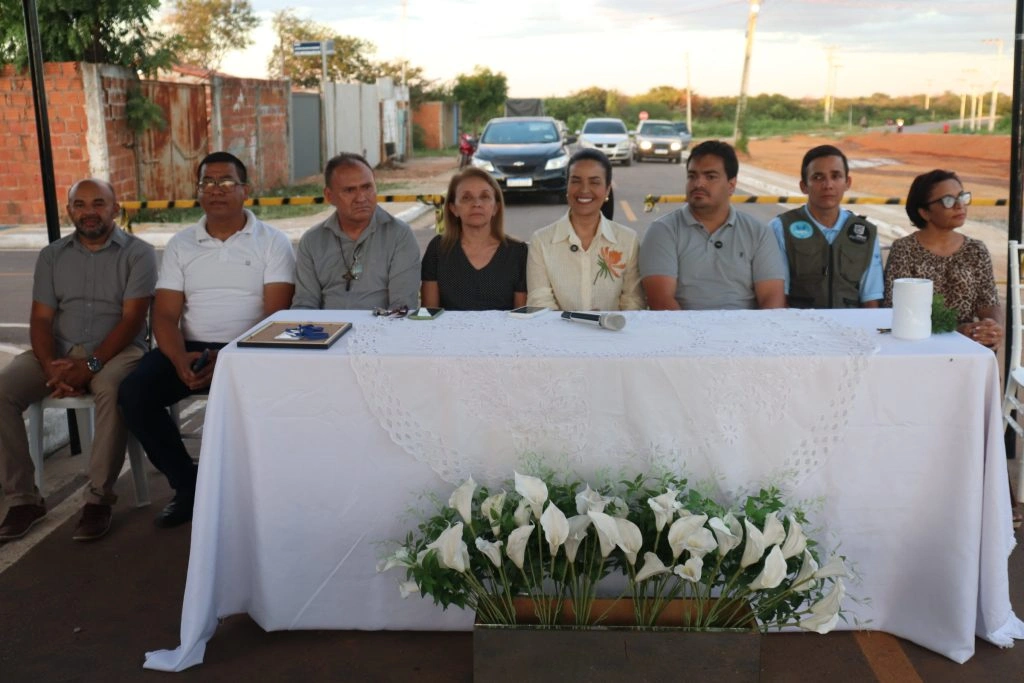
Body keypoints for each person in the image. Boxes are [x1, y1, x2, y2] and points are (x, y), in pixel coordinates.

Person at [118, 152, 296, 528]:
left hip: (250, 351)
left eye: (227, 181)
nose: (216, 190)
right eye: (207, 183)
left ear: (245, 190)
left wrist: (229, 356)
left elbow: (275, 316)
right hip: (190, 346)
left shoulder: (272, 241)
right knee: (134, 393)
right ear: (198, 192)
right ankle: (188, 486)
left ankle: (261, 492)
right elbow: (164, 315)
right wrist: (179, 358)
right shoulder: (182, 243)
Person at [0, 179, 157, 542]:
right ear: (69, 211)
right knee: (3, 390)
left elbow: (132, 319)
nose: (89, 212)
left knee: (114, 390)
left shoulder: (139, 253)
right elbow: (40, 319)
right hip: (58, 351)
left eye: (99, 203)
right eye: (80, 204)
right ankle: (23, 499)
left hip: (118, 351)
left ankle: (98, 499)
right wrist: (51, 366)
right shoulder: (52, 256)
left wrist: (91, 366)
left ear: (115, 209)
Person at [639, 140, 785, 310]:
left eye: (710, 177)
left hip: (746, 331)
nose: (698, 183)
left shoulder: (758, 233)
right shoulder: (663, 231)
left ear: (731, 185)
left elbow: (772, 299)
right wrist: (695, 335)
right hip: (681, 331)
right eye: (692, 176)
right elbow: (661, 300)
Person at [884, 169, 1002, 349]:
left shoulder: (976, 250)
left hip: (968, 344)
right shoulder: (904, 249)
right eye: (948, 201)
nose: (959, 205)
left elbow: (989, 303)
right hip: (918, 345)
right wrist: (955, 330)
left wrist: (992, 327)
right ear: (924, 212)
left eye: (961, 197)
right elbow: (899, 309)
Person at [294, 153, 419, 310]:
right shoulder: (312, 241)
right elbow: (304, 305)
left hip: (383, 330)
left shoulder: (399, 235)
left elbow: (402, 307)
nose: (361, 198)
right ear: (329, 196)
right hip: (326, 332)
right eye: (349, 190)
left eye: (367, 187)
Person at [526, 149, 644, 311]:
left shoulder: (628, 240)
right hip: (558, 334)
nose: (584, 190)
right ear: (566, 186)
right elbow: (539, 302)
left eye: (594, 182)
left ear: (607, 190)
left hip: (613, 333)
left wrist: (608, 325)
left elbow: (633, 301)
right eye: (576, 181)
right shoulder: (541, 241)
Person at [769, 145, 883, 308]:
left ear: (847, 182)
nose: (828, 185)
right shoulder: (781, 228)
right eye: (818, 177)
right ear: (803, 186)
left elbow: (871, 298)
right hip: (801, 326)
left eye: (836, 176)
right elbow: (779, 296)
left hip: (850, 326)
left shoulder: (865, 232)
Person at [420, 168, 527, 310]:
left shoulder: (517, 252)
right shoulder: (438, 249)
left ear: (495, 207)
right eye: (466, 197)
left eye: (484, 196)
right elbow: (429, 314)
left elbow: (521, 318)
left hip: (504, 333)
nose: (477, 203)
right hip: (448, 332)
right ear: (453, 208)